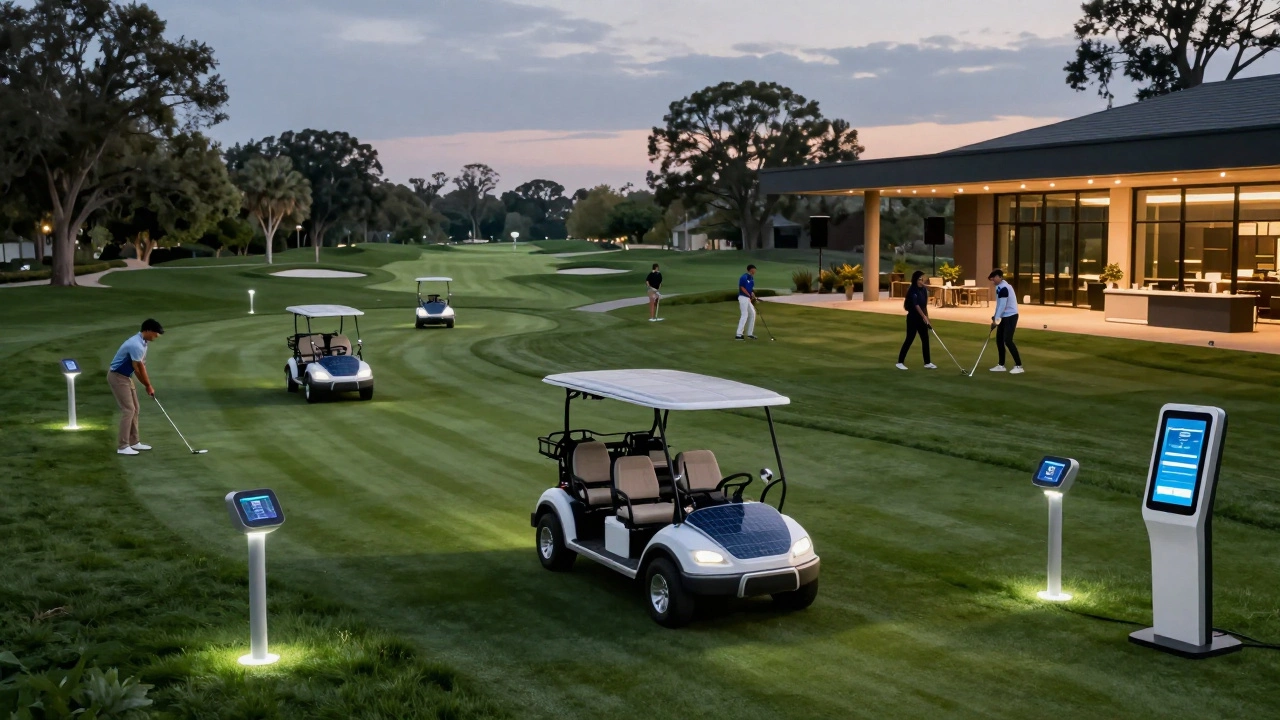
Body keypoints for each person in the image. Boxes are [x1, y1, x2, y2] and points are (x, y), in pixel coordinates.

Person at [108, 319, 163, 455]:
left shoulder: (144, 342)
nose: (157, 336)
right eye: (156, 333)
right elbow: (138, 368)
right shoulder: (136, 345)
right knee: (129, 410)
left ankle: (134, 442)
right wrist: (148, 385)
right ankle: (123, 446)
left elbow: (141, 366)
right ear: (148, 330)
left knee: (135, 408)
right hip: (117, 376)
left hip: (126, 377)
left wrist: (146, 385)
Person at [896, 271, 937, 370]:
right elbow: (916, 305)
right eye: (920, 279)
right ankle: (900, 362)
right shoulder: (912, 290)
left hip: (921, 318)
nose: (922, 281)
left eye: (922, 279)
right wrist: (924, 316)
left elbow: (923, 306)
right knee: (909, 339)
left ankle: (927, 362)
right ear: (915, 280)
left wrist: (927, 318)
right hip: (913, 318)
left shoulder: (923, 290)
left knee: (925, 339)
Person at [987, 268, 1024, 374]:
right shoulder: (999, 287)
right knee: (999, 340)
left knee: (1008, 340)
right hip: (1004, 316)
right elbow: (999, 305)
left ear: (1000, 277)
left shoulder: (1004, 288)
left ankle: (1019, 366)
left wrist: (996, 320)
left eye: (994, 279)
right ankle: (1001, 365)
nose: (992, 281)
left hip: (1011, 316)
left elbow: (1003, 305)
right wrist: (995, 317)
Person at [736, 264, 757, 340]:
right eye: (754, 270)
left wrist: (752, 294)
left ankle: (750, 333)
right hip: (743, 297)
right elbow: (742, 288)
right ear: (751, 270)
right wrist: (749, 295)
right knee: (744, 315)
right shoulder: (743, 277)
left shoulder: (751, 278)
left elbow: (750, 289)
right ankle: (738, 334)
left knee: (752, 313)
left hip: (747, 298)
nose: (755, 271)